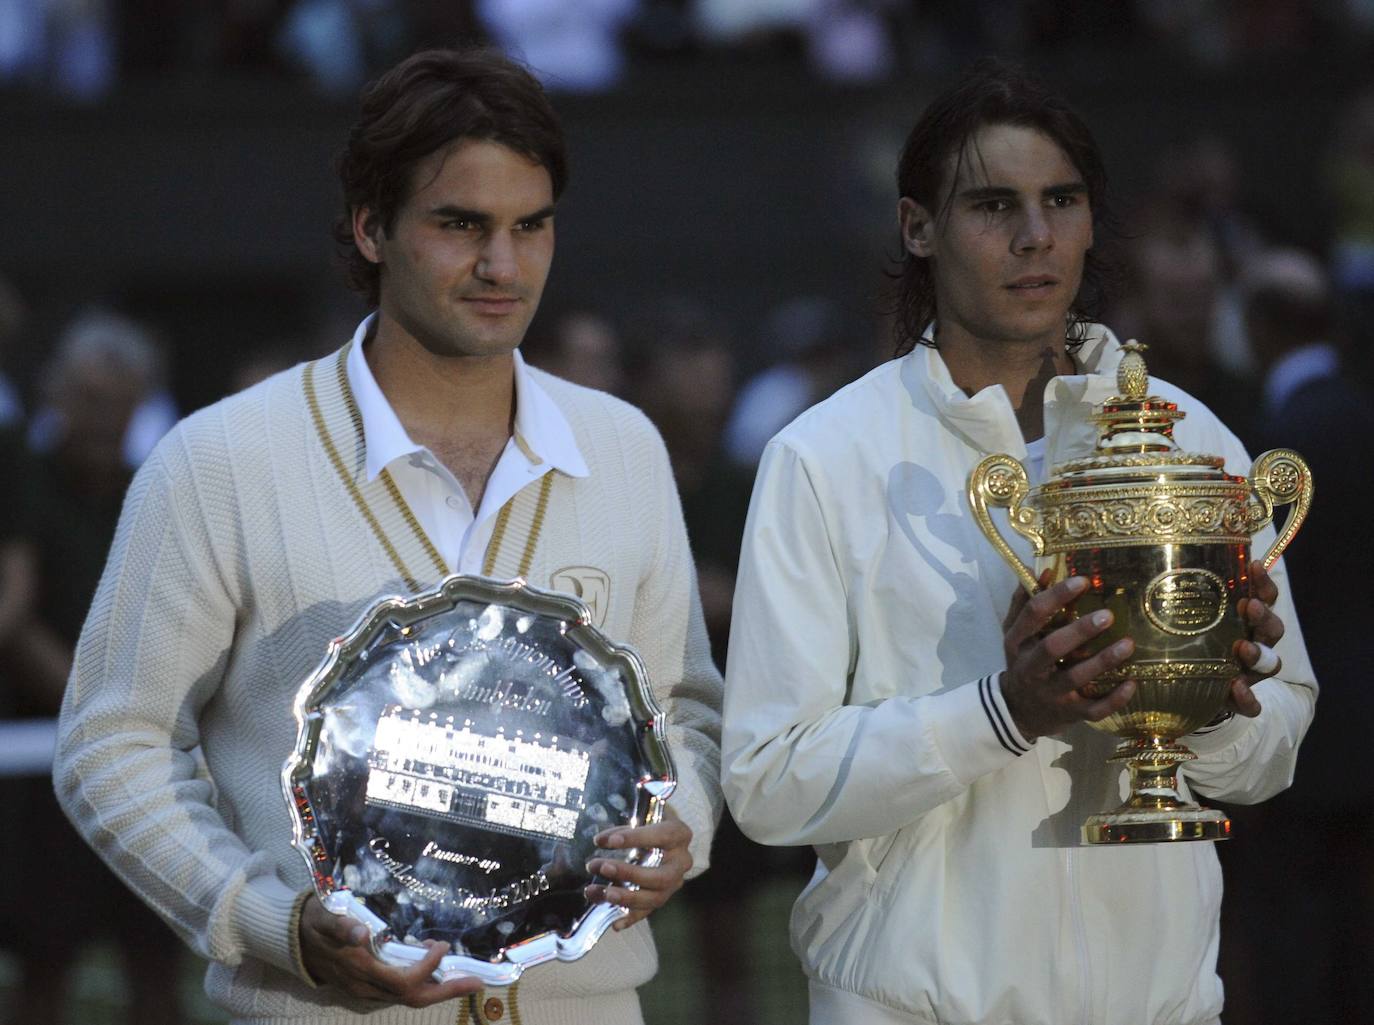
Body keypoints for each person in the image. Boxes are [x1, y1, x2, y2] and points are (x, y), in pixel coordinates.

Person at [52, 47, 722, 1025]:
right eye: (461, 225)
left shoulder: (621, 446)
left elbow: (684, 715)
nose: (503, 264)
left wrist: (679, 826)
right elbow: (110, 740)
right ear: (371, 227)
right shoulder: (219, 459)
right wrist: (269, 919)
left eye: (529, 226)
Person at [722, 58, 1316, 1025]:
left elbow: (1270, 754)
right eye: (993, 205)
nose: (1035, 237)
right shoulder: (822, 457)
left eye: (1062, 200)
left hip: (1158, 1005)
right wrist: (1004, 710)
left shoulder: (1193, 438)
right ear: (917, 227)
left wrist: (1209, 699)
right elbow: (766, 784)